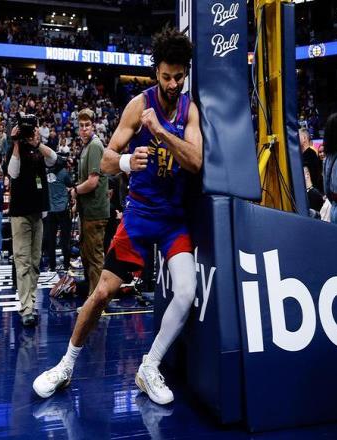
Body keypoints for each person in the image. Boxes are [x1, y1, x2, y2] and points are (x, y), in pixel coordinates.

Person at [33, 26, 203, 406]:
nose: (173, 84)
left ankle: (149, 367)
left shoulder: (189, 109)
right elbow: (107, 160)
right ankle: (65, 365)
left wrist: (160, 132)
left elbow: (195, 162)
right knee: (102, 293)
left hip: (173, 219)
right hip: (140, 215)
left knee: (187, 291)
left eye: (179, 77)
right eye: (166, 76)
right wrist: (127, 161)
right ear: (156, 72)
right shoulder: (138, 105)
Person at [6, 113, 58, 326]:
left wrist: (38, 144)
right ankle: (26, 307)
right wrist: (16, 143)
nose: (28, 132)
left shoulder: (39, 149)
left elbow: (54, 159)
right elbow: (13, 173)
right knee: (22, 260)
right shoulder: (14, 148)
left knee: (35, 261)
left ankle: (32, 302)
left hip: (38, 212)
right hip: (20, 213)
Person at [69, 108, 110, 295]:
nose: (84, 129)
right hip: (87, 211)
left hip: (95, 212)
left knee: (94, 259)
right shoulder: (86, 146)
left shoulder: (94, 146)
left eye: (87, 125)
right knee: (87, 257)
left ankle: (97, 302)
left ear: (93, 126)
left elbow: (93, 182)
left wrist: (75, 190)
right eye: (81, 125)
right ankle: (92, 298)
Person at [44, 158, 73, 272]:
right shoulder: (64, 173)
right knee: (65, 238)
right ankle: (66, 265)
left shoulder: (46, 173)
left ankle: (52, 265)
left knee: (51, 239)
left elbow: (39, 185)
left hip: (50, 210)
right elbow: (71, 184)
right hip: (63, 209)